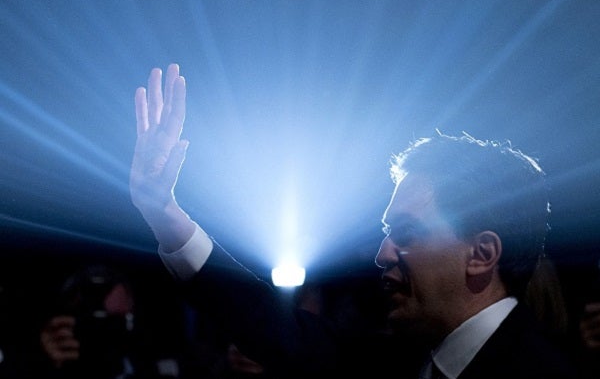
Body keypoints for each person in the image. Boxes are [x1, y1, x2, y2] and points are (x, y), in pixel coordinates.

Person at [130, 63, 581, 378]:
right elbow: (272, 327)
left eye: (406, 233)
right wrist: (165, 214)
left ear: (481, 254)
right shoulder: (402, 358)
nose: (383, 254)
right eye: (387, 234)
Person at [36, 264, 183, 379]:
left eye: (112, 324)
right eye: (90, 325)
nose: (100, 337)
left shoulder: (163, 367)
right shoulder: (56, 362)